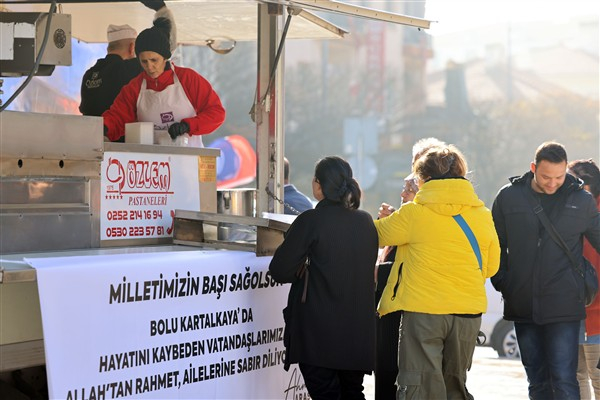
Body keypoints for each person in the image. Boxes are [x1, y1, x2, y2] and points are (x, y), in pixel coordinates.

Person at [374, 144, 500, 400]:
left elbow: (375, 236)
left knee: (419, 386)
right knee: (455, 385)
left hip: (424, 312)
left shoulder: (413, 213)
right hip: (467, 312)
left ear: (424, 178)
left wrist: (384, 218)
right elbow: (491, 267)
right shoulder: (482, 215)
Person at [491, 142, 600, 399]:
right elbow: (495, 245)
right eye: (546, 177)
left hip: (565, 305)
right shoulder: (508, 196)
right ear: (533, 168)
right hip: (523, 304)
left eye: (559, 177)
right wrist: (504, 281)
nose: (553, 183)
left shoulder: (581, 200)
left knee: (565, 379)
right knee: (537, 380)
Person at [269, 156, 379, 400]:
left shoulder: (311, 221)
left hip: (319, 335)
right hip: (357, 332)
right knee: (352, 393)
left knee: (327, 395)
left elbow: (279, 269)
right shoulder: (366, 221)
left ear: (318, 185)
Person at [374, 137, 445, 400]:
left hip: (409, 311)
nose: (404, 192)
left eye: (409, 187)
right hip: (392, 310)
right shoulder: (410, 213)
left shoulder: (426, 211)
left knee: (404, 377)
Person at [102, 16, 225, 145]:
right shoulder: (134, 88)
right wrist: (103, 128)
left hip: (189, 159)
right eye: (144, 61)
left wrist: (188, 126)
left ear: (165, 57)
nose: (149, 67)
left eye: (154, 60)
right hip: (153, 162)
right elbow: (117, 118)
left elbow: (216, 113)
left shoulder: (188, 79)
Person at [79, 0, 175, 117]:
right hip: (123, 134)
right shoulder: (130, 69)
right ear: (132, 48)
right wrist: (161, 9)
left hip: (92, 134)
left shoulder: (89, 75)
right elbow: (161, 48)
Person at [568, 159, 600, 400]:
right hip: (569, 312)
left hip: (597, 315)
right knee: (575, 378)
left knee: (596, 379)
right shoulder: (568, 211)